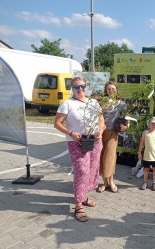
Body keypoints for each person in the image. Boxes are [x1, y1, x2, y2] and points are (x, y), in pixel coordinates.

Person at [54, 77, 105, 223]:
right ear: (72, 89)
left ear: (86, 86)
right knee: (82, 171)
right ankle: (78, 205)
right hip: (76, 142)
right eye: (77, 87)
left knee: (92, 170)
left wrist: (100, 130)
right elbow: (57, 123)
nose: (80, 89)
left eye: (83, 86)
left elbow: (101, 119)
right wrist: (71, 133)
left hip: (94, 141)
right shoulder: (67, 104)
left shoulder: (93, 102)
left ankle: (84, 196)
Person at [98, 81, 129, 193]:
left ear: (116, 90)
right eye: (108, 89)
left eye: (113, 89)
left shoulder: (122, 104)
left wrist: (126, 127)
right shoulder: (102, 103)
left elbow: (126, 119)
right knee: (101, 156)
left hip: (113, 133)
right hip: (101, 132)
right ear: (106, 90)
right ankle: (104, 182)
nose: (111, 91)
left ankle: (111, 181)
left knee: (110, 157)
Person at [137, 116, 155, 191]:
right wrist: (139, 152)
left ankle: (154, 183)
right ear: (150, 123)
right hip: (147, 155)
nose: (153, 125)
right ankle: (145, 182)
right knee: (146, 169)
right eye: (153, 123)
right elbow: (142, 143)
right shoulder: (145, 133)